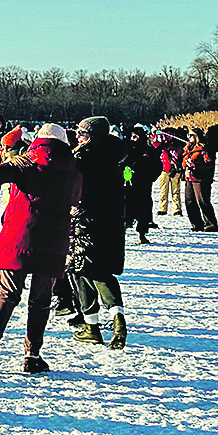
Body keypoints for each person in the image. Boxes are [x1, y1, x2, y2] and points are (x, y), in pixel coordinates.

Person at [0, 123, 81, 374]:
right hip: (53, 241)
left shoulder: (24, 162)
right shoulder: (73, 170)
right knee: (41, 300)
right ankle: (32, 354)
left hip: (18, 236)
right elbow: (75, 198)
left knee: (8, 293)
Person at [66, 116, 129, 349]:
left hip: (87, 218)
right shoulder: (115, 153)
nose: (78, 137)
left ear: (91, 135)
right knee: (104, 270)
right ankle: (117, 317)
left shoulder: (82, 156)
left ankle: (92, 327)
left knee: (80, 269)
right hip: (113, 220)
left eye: (81, 133)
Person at [123, 126, 163, 244]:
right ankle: (122, 231)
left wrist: (151, 177)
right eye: (132, 136)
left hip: (143, 184)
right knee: (126, 208)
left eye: (136, 137)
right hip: (127, 184)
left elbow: (158, 166)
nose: (133, 139)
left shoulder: (148, 150)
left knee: (144, 210)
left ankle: (142, 234)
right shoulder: (127, 148)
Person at [181, 126, 218, 231]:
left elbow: (209, 163)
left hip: (201, 178)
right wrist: (186, 164)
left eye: (191, 136)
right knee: (189, 201)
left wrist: (195, 166)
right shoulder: (188, 148)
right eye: (188, 135)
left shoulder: (204, 148)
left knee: (203, 201)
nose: (189, 137)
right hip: (189, 178)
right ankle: (196, 224)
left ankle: (211, 224)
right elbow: (184, 162)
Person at [155, 130, 185, 217]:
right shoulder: (161, 145)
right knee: (163, 190)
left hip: (175, 169)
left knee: (176, 190)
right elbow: (154, 145)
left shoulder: (177, 144)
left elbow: (180, 154)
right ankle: (162, 208)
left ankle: (177, 209)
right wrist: (156, 137)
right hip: (164, 169)